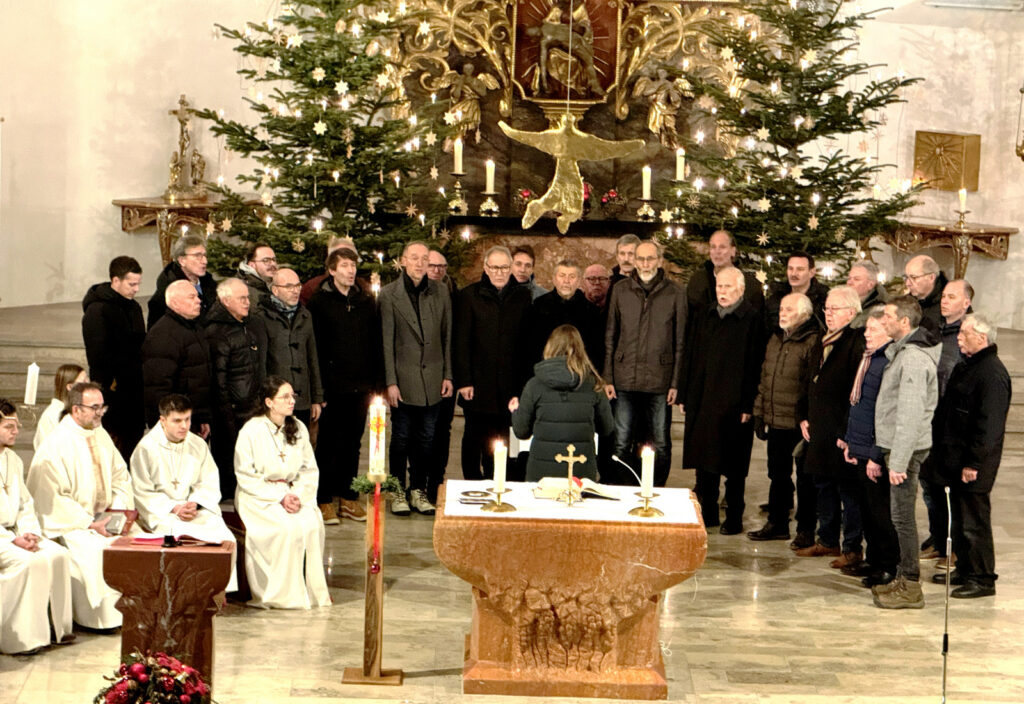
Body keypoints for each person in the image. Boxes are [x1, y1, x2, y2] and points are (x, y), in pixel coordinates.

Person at [27, 382, 135, 630]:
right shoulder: (56, 444)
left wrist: (117, 510)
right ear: (76, 409)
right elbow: (50, 498)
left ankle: (133, 612)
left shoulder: (100, 434)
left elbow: (121, 476)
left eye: (102, 407)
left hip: (106, 518)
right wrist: (89, 522)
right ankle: (100, 619)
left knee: (139, 542)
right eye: (94, 408)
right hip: (72, 524)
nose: (100, 413)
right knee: (97, 551)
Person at [927, 314, 1010, 599]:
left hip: (973, 464)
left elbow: (989, 426)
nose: (959, 338)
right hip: (954, 458)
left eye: (964, 333)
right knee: (960, 521)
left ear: (982, 338)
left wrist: (974, 462)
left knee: (974, 522)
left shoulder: (992, 373)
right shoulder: (968, 365)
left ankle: (982, 579)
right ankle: (965, 569)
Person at [681, 267, 766, 534]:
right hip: (703, 398)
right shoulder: (705, 315)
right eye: (719, 286)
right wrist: (685, 394)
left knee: (733, 464)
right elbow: (690, 354)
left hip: (734, 403)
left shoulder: (752, 319)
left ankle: (734, 516)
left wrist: (748, 404)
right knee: (704, 461)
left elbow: (755, 364)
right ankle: (707, 513)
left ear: (741, 289)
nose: (723, 291)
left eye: (728, 287)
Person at [234, 377, 330, 610]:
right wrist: (279, 497)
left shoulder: (298, 427)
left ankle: (309, 591)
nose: (291, 401)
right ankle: (279, 593)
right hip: (258, 494)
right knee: (286, 528)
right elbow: (245, 474)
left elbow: (309, 469)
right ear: (269, 402)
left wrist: (297, 495)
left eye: (292, 396)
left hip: (292, 491)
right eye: (285, 397)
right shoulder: (251, 430)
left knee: (312, 524)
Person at [870, 295, 940, 609]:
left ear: (904, 322)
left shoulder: (912, 358)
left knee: (902, 520)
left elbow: (910, 413)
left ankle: (911, 586)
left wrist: (898, 461)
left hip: (906, 452)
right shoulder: (903, 352)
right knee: (899, 518)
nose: (882, 320)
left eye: (888, 316)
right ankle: (903, 577)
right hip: (901, 448)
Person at [130, 394, 237, 591]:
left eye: (187, 419)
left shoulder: (197, 444)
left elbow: (208, 482)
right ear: (163, 420)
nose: (184, 426)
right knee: (182, 537)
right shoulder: (146, 449)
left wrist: (195, 502)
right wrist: (174, 507)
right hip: (164, 513)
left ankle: (216, 593)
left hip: (193, 509)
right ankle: (184, 593)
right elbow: (142, 491)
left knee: (224, 536)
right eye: (177, 420)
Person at [604, 240, 685, 487]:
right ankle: (626, 490)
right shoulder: (620, 290)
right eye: (640, 258)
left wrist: (675, 383)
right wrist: (608, 377)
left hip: (659, 379)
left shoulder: (675, 292)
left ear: (659, 260)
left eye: (650, 258)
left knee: (661, 443)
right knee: (621, 442)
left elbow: (680, 341)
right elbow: (611, 334)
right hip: (624, 377)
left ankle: (656, 490)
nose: (645, 263)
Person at [307, 248, 381, 523]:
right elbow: (315, 348)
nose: (351, 271)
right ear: (332, 270)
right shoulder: (319, 302)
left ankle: (348, 497)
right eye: (345, 266)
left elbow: (374, 343)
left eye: (353, 265)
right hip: (332, 387)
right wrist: (319, 390)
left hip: (360, 386)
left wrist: (375, 384)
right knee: (328, 444)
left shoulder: (365, 301)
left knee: (353, 443)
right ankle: (324, 498)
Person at [379, 241, 453, 515]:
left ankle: (418, 490)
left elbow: (447, 335)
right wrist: (390, 382)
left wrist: (448, 375)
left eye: (424, 259)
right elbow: (386, 341)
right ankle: (398, 490)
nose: (420, 264)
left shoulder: (440, 291)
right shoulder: (389, 295)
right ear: (403, 261)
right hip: (403, 379)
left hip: (433, 378)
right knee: (401, 438)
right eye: (414, 258)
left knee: (426, 439)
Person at [797, 286, 866, 567]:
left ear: (852, 312)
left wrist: (846, 432)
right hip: (819, 427)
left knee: (848, 492)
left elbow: (855, 392)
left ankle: (852, 547)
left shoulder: (855, 342)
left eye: (835, 309)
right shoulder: (823, 340)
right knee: (823, 486)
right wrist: (803, 416)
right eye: (826, 308)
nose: (829, 313)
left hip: (840, 429)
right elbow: (809, 381)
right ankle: (827, 540)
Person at [0, 399, 74, 654]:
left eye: (17, 425)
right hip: (2, 538)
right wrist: (11, 540)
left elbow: (24, 503)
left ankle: (57, 629)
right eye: (9, 426)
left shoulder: (13, 460)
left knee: (59, 554)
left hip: (15, 532)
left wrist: (28, 532)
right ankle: (19, 638)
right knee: (30, 562)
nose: (16, 431)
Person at [453, 245, 533, 481]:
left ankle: (495, 480)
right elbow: (461, 341)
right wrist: (464, 380)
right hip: (477, 382)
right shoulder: (469, 296)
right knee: (474, 437)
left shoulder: (522, 296)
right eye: (495, 267)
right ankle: (471, 482)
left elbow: (525, 344)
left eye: (504, 268)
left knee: (501, 439)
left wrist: (522, 386)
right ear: (486, 268)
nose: (500, 272)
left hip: (509, 383)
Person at [748, 293, 821, 543]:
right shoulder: (776, 338)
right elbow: (765, 377)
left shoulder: (812, 340)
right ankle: (777, 523)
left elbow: (810, 384)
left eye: (789, 309)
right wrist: (760, 413)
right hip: (777, 419)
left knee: (805, 479)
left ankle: (806, 528)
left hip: (799, 422)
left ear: (804, 314)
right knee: (777, 475)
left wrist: (807, 416)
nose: (782, 313)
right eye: (781, 309)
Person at [839, 309, 900, 588]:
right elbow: (859, 404)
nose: (866, 334)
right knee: (866, 510)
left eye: (873, 329)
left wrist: (876, 454)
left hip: (875, 451)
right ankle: (874, 560)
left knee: (880, 513)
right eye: (866, 329)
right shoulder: (869, 358)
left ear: (889, 332)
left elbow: (886, 413)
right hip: (860, 445)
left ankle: (888, 566)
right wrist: (849, 441)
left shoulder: (887, 362)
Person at [511, 325, 614, 481]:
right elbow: (607, 428)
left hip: (541, 477)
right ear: (581, 350)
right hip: (581, 476)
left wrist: (515, 411)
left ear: (550, 348)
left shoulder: (534, 385)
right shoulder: (594, 385)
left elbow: (521, 431)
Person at [919, 278, 974, 562]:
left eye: (952, 297)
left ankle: (954, 546)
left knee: (949, 488)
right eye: (943, 296)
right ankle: (938, 538)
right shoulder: (934, 329)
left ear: (966, 302)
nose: (944, 301)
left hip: (952, 422)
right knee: (929, 484)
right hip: (929, 418)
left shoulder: (969, 333)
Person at [204, 278, 266, 498]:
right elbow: (218, 379)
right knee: (229, 460)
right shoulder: (217, 332)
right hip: (231, 409)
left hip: (250, 405)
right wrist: (226, 413)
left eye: (248, 297)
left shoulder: (246, 325)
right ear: (226, 300)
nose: (248, 302)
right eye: (242, 298)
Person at [81, 255, 146, 459]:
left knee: (133, 442)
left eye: (138, 284)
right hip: (112, 389)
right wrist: (109, 385)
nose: (136, 289)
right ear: (116, 280)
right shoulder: (98, 310)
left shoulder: (134, 307)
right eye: (131, 284)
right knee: (114, 446)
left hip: (134, 388)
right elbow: (97, 354)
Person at [142, 280, 213, 437]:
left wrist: (202, 417)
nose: (198, 301)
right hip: (177, 422)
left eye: (197, 296)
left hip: (193, 417)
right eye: (191, 297)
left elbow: (199, 376)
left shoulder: (194, 327)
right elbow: (158, 387)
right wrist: (168, 425)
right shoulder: (163, 335)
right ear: (175, 303)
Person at [259, 268, 323, 427]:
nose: (295, 291)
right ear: (275, 290)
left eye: (297, 286)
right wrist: (264, 399)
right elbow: (261, 364)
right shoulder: (261, 317)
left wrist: (316, 398)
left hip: (301, 399)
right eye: (289, 287)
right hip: (275, 400)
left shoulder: (305, 315)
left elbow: (312, 358)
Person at [685, 230, 764, 348]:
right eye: (713, 247)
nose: (717, 252)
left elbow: (757, 329)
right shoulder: (697, 281)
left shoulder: (750, 285)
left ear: (733, 251)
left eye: (722, 247)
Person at [529, 259, 603, 367]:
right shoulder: (538, 306)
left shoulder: (592, 311)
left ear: (579, 281)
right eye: (562, 276)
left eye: (572, 277)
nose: (566, 281)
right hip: (546, 369)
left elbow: (596, 351)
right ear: (554, 279)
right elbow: (531, 346)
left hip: (581, 371)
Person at [426, 248, 458, 503]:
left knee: (442, 430)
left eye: (441, 266)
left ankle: (436, 481)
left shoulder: (455, 295)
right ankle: (417, 483)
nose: (437, 270)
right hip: (422, 373)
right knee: (421, 431)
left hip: (447, 373)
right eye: (432, 265)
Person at [147, 234, 217, 330]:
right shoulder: (168, 292)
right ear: (182, 260)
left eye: (205, 255)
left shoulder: (209, 282)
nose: (205, 261)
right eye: (198, 256)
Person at [764, 251, 829, 332]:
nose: (794, 274)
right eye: (790, 268)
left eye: (800, 269)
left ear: (811, 272)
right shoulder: (776, 298)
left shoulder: (823, 299)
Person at [33, 364, 87, 451]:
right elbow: (47, 450)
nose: (89, 386)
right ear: (70, 387)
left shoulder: (85, 410)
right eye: (84, 382)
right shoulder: (52, 415)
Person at [903, 254, 948, 332]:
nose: (907, 283)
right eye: (906, 277)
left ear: (931, 277)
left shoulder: (949, 302)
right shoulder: (906, 302)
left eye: (914, 278)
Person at [237, 242, 277, 308]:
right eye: (266, 260)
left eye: (274, 259)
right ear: (251, 265)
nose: (273, 264)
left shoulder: (269, 285)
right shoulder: (243, 292)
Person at [847, 261, 887, 327]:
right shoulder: (844, 302)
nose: (849, 282)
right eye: (849, 278)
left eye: (856, 279)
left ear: (870, 285)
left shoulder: (879, 310)